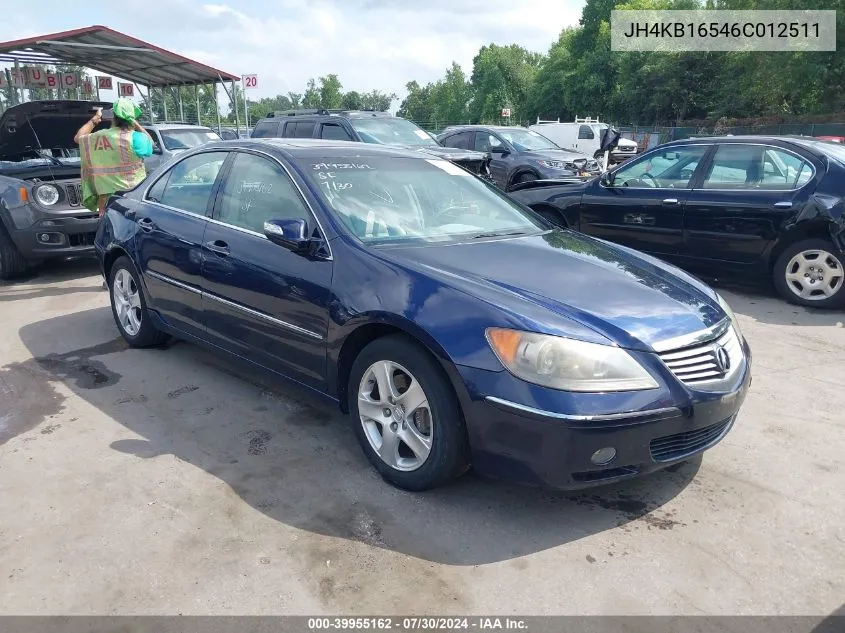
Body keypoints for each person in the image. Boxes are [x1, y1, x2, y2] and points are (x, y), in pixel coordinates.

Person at [74, 97, 154, 216]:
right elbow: (151, 142)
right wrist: (136, 124)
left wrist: (95, 120)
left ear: (113, 117)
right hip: (132, 197)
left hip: (106, 202)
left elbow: (78, 138)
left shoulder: (99, 136)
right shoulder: (135, 138)